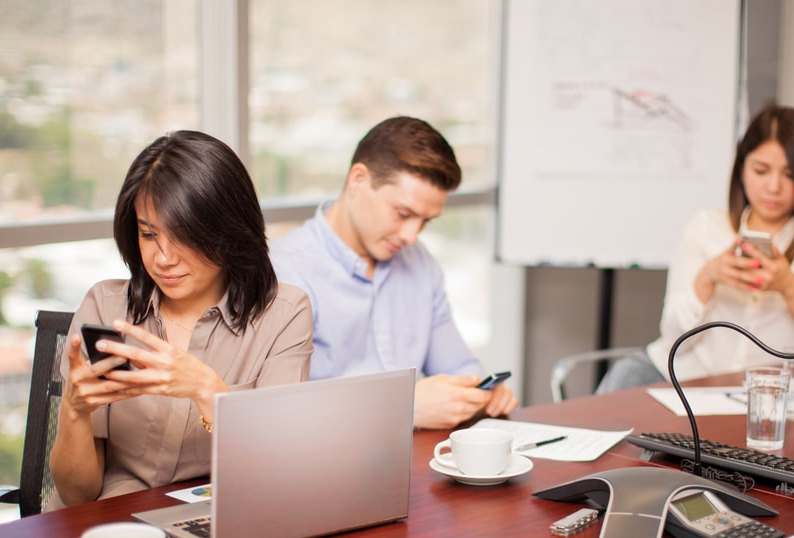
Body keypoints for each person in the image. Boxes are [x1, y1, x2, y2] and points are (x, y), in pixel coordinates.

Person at [48, 130, 314, 508]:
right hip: (115, 521)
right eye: (148, 234)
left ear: (229, 230)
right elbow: (78, 496)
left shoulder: (284, 316)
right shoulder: (106, 309)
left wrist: (207, 391)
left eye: (184, 235)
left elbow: (276, 474)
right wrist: (74, 411)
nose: (164, 258)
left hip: (217, 516)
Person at [270, 116, 518, 429]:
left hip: (419, 453)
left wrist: (482, 393)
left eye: (425, 221)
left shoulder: (419, 261)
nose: (412, 236)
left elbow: (457, 367)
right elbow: (281, 413)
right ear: (358, 180)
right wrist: (404, 408)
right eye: (403, 213)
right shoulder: (285, 273)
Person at [596, 104, 794, 392]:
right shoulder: (705, 226)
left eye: (791, 174)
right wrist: (707, 278)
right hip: (679, 380)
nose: (774, 187)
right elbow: (672, 339)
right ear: (741, 170)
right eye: (761, 170)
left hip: (765, 394)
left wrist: (789, 286)